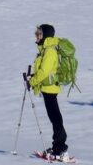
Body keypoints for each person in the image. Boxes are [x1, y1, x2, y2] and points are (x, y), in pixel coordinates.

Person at [29, 23, 69, 162]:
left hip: (50, 88)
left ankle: (60, 148)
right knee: (54, 117)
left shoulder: (50, 51)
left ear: (45, 35)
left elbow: (44, 72)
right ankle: (57, 146)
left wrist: (32, 81)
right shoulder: (45, 50)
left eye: (39, 33)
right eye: (36, 33)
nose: (36, 36)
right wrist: (33, 77)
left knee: (55, 118)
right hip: (48, 88)